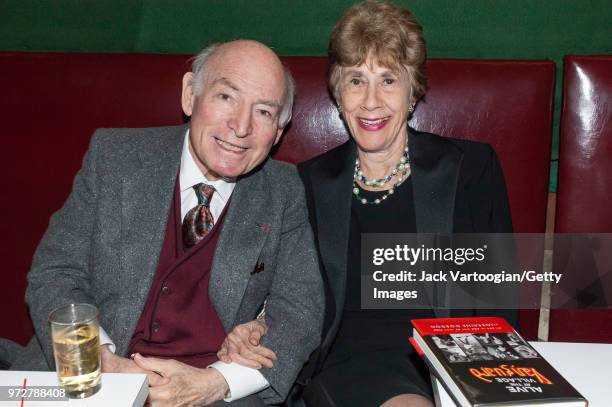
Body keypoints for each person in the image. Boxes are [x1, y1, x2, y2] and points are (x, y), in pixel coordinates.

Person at [219, 1, 517, 406]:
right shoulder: (306, 182)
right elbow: (285, 289)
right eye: (356, 80)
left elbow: (498, 304)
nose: (371, 101)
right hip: (349, 366)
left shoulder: (471, 170)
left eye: (388, 81)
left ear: (413, 92)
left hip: (447, 365)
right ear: (337, 94)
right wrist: (256, 324)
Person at [13, 40, 324, 406]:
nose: (241, 127)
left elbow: (300, 313)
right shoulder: (114, 157)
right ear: (190, 94)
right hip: (88, 377)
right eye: (226, 97)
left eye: (264, 112)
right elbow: (55, 273)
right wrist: (102, 362)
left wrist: (214, 384)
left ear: (279, 130)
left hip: (210, 390)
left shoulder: (283, 190)